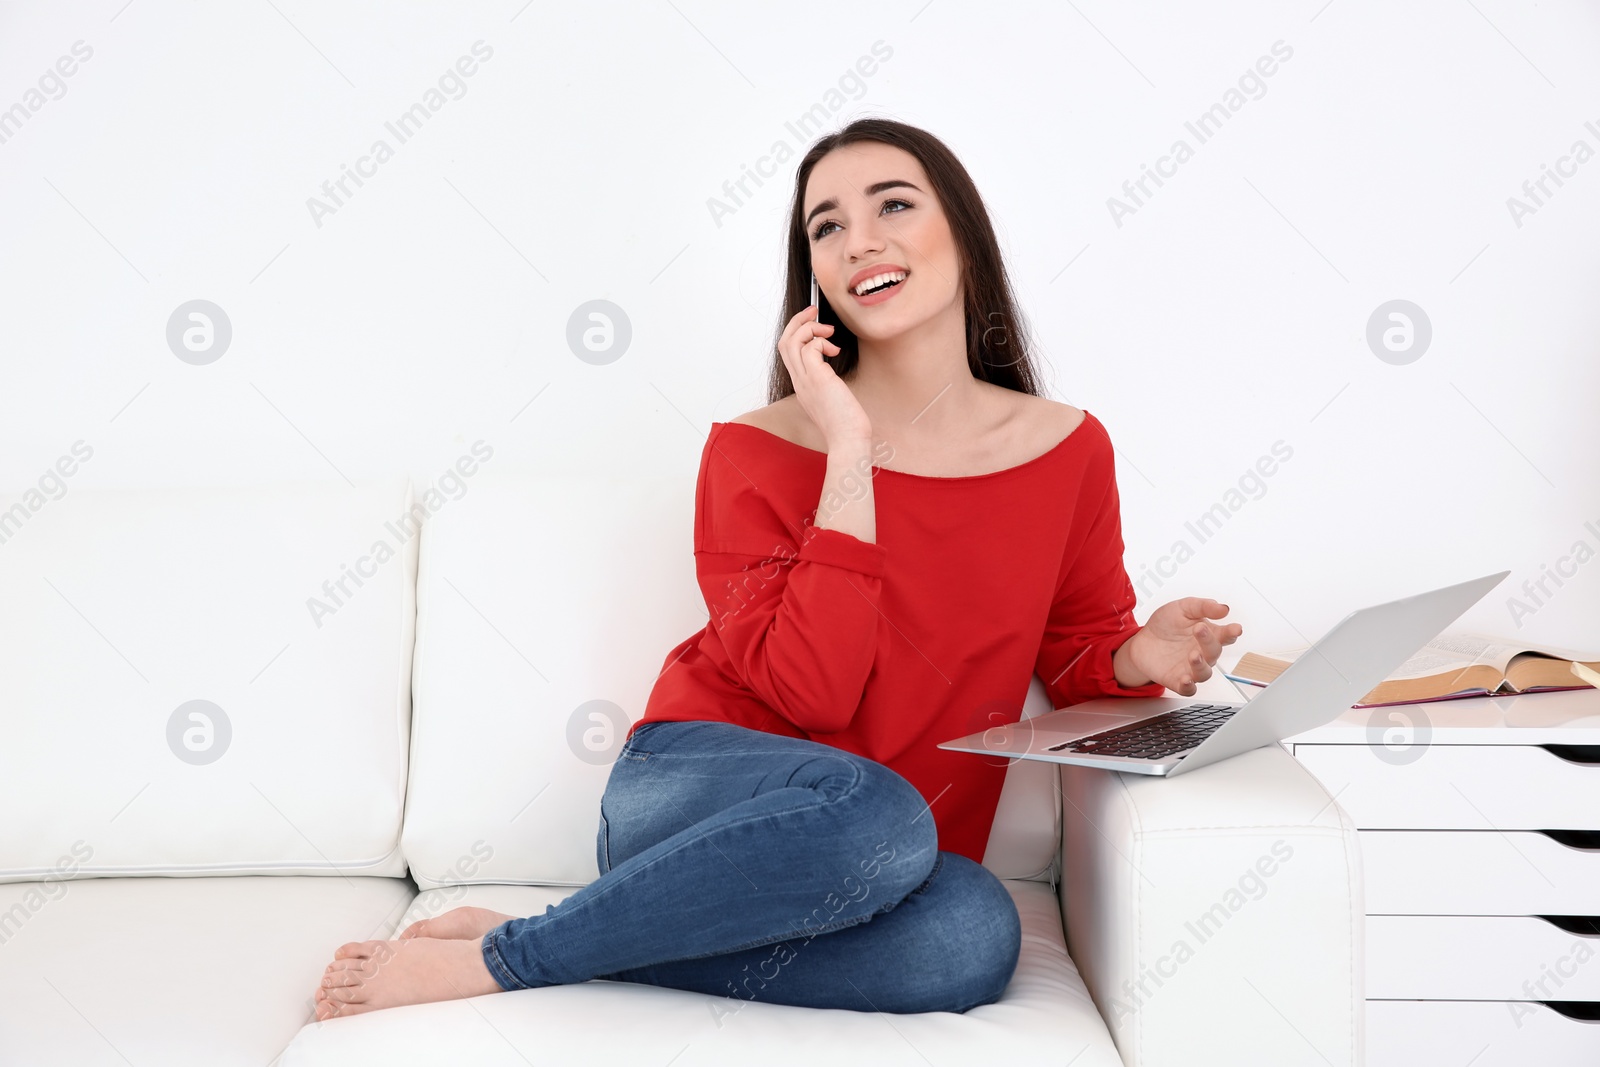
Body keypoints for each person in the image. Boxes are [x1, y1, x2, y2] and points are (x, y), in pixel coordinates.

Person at [312, 118, 1242, 1020]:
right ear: (814, 277)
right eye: (826, 226)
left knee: (972, 936)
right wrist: (849, 446)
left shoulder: (1068, 450)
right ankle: (507, 960)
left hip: (879, 862)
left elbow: (1075, 648)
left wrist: (1137, 659)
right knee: (873, 808)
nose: (857, 241)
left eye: (893, 206)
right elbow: (814, 693)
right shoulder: (755, 451)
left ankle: (579, 938)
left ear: (963, 229)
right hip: (697, 797)